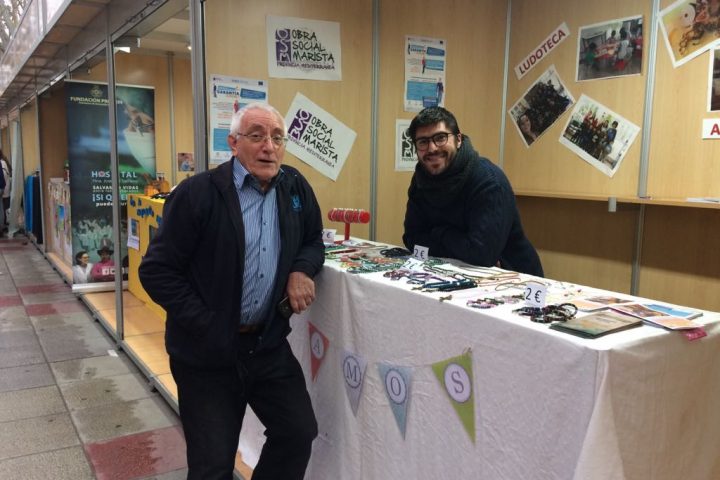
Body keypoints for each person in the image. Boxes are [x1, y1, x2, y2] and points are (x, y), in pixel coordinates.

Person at [139, 102, 324, 480]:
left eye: (277, 138)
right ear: (233, 143)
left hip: (266, 345)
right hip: (206, 354)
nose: (269, 146)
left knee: (297, 432)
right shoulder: (198, 193)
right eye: (257, 136)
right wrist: (207, 324)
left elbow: (312, 240)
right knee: (212, 467)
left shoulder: (295, 188)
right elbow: (156, 270)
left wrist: (302, 270)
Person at [403, 106, 543, 276]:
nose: (432, 148)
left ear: (458, 139)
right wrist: (459, 243)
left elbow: (482, 255)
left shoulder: (488, 181)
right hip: (448, 272)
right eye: (423, 142)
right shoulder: (421, 179)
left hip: (512, 277)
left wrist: (438, 233)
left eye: (440, 138)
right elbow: (411, 239)